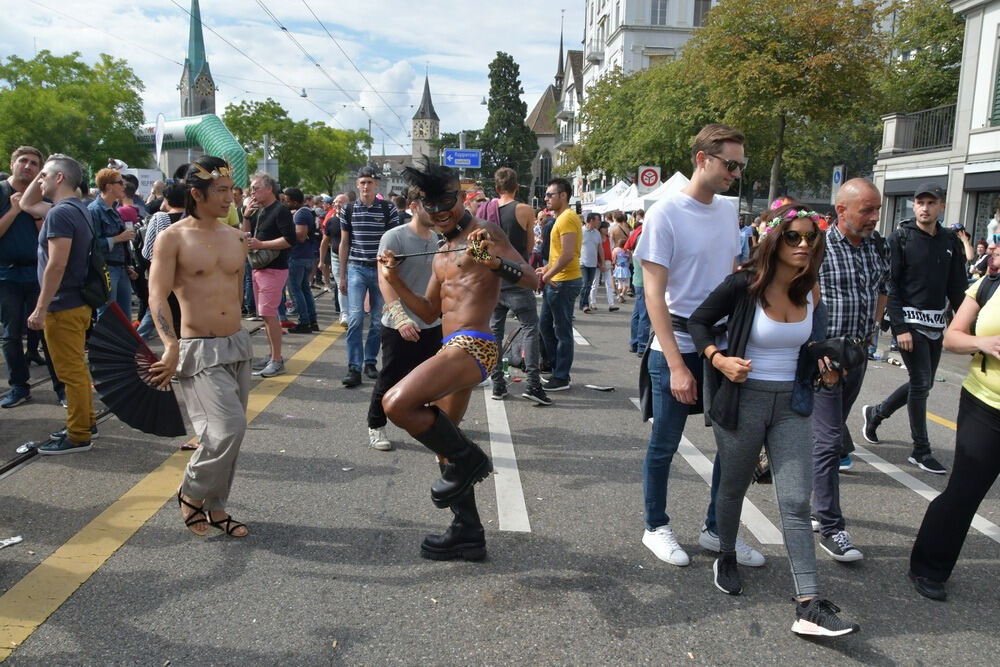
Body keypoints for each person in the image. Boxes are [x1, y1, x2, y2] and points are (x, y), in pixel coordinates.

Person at [688, 201, 859, 637]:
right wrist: (718, 359)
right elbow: (699, 321)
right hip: (743, 400)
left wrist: (829, 364)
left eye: (810, 237)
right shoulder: (744, 285)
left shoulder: (809, 289)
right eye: (793, 237)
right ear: (774, 240)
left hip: (793, 404)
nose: (803, 244)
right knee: (733, 486)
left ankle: (808, 604)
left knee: (797, 502)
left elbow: (815, 343)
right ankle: (726, 552)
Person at [379, 163, 537, 560]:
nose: (440, 210)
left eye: (447, 200)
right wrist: (395, 279)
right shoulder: (441, 251)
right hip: (450, 345)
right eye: (430, 203)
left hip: (475, 343)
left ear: (462, 197)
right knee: (444, 449)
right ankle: (468, 533)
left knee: (396, 403)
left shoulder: (485, 234)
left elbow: (532, 279)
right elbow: (430, 312)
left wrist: (494, 263)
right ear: (420, 206)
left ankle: (472, 459)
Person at [634, 123, 764, 569]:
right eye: (730, 164)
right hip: (675, 340)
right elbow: (654, 294)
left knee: (733, 444)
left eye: (741, 167)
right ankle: (655, 527)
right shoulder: (665, 212)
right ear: (702, 159)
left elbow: (728, 279)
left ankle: (716, 529)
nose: (736, 173)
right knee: (665, 443)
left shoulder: (728, 212)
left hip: (721, 344)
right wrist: (675, 364)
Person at [148, 156, 251, 538]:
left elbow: (236, 291)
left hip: (237, 345)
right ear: (196, 193)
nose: (230, 198)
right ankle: (190, 492)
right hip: (198, 348)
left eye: (230, 190)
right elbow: (156, 295)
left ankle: (218, 506)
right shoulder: (172, 237)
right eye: (221, 191)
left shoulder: (237, 237)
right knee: (225, 430)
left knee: (233, 436)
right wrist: (170, 345)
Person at [908, 244, 1000, 601]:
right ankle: (928, 567)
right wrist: (984, 342)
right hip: (986, 405)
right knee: (964, 492)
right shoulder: (988, 285)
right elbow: (952, 337)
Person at [862, 184, 967, 475]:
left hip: (936, 324)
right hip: (909, 323)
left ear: (941, 206)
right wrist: (899, 328)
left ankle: (876, 412)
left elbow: (957, 287)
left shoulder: (950, 240)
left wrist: (969, 324)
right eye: (919, 202)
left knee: (925, 384)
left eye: (931, 203)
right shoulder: (900, 238)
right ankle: (921, 450)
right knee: (921, 384)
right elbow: (891, 285)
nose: (924, 208)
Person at [811, 179, 889, 563]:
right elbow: (796, 295)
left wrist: (873, 332)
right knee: (828, 442)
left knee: (825, 437)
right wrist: (813, 346)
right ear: (841, 211)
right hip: (824, 361)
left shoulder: (878, 245)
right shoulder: (818, 246)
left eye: (877, 210)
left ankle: (812, 500)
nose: (874, 217)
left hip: (856, 357)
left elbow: (883, 287)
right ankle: (831, 527)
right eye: (867, 210)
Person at [25, 154, 97, 454]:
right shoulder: (77, 209)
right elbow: (26, 204)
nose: (38, 180)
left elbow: (56, 264)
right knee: (77, 368)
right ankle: (85, 421)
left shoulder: (58, 214)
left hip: (62, 304)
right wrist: (44, 169)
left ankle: (78, 434)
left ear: (57, 179)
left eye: (43, 175)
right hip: (77, 302)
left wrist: (41, 307)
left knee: (70, 372)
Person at [367, 187, 443, 451]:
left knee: (430, 382)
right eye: (428, 205)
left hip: (431, 323)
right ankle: (376, 425)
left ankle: (429, 428)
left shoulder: (439, 240)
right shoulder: (394, 237)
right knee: (391, 377)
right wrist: (400, 319)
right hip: (398, 325)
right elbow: (384, 278)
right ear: (413, 206)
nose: (434, 210)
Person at [1, 145, 64, 408]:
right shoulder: (2, 192)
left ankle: (61, 387)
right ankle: (19, 386)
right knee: (11, 334)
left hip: (37, 272)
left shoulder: (43, 194)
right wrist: (15, 211)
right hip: (6, 273)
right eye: (23, 161)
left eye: (34, 163)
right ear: (13, 163)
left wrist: (32, 210)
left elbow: (49, 235)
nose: (28, 166)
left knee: (49, 331)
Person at [488, 167, 550, 405]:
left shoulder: (486, 210)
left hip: (494, 278)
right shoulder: (524, 210)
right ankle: (533, 384)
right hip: (517, 277)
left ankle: (498, 384)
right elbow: (530, 247)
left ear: (496, 188)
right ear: (517, 186)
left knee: (495, 331)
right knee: (530, 328)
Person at [339, 167, 399, 387]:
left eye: (370, 182)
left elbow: (392, 242)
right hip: (356, 268)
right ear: (357, 184)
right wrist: (342, 275)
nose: (366, 186)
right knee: (354, 319)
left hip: (380, 269)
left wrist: (392, 272)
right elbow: (345, 242)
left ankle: (370, 362)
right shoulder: (348, 210)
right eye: (362, 182)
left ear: (376, 185)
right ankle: (354, 367)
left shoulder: (388, 209)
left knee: (377, 321)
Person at [243, 172, 295, 378]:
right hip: (258, 266)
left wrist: (262, 244)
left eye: (256, 188)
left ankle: (277, 359)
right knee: (265, 315)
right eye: (252, 188)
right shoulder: (258, 210)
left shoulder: (280, 210)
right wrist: (246, 216)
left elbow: (290, 239)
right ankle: (273, 355)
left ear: (269, 188)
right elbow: (245, 236)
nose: (252, 191)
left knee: (268, 314)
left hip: (274, 268)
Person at [536, 178, 582, 392]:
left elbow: (568, 254)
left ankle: (561, 376)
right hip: (556, 279)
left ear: (563, 196)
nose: (546, 198)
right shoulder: (561, 218)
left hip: (564, 282)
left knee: (562, 331)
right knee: (545, 326)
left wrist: (548, 275)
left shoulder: (566, 218)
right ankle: (556, 369)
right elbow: (558, 255)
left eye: (550, 195)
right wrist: (545, 270)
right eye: (546, 195)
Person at [137, 182, 187, 339]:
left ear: (166, 199)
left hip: (164, 279)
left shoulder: (159, 219)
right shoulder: (194, 220)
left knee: (166, 316)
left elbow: (147, 252)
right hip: (188, 280)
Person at [88, 168, 135, 320]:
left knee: (125, 317)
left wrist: (127, 264)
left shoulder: (114, 210)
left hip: (120, 269)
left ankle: (125, 345)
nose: (124, 186)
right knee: (108, 316)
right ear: (109, 186)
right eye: (120, 183)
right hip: (106, 269)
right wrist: (117, 238)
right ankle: (105, 345)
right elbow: (92, 245)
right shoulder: (94, 210)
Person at [283, 187, 319, 334]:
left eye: (287, 201)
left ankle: (304, 322)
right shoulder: (306, 211)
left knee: (296, 290)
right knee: (304, 289)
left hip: (298, 256)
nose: (285, 203)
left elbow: (301, 236)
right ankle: (312, 321)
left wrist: (286, 232)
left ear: (295, 201)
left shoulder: (300, 215)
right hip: (306, 256)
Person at [579, 212, 603, 314]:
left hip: (593, 263)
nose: (599, 222)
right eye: (598, 220)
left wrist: (602, 262)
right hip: (582, 262)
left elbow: (600, 248)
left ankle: (583, 303)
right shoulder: (581, 231)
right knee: (585, 283)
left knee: (589, 285)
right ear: (591, 220)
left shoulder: (597, 233)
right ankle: (584, 304)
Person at [612, 238, 631, 303]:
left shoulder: (615, 250)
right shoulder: (628, 251)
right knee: (626, 284)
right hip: (626, 269)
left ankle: (620, 296)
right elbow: (629, 260)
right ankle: (622, 295)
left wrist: (614, 264)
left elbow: (614, 260)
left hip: (618, 268)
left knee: (619, 283)